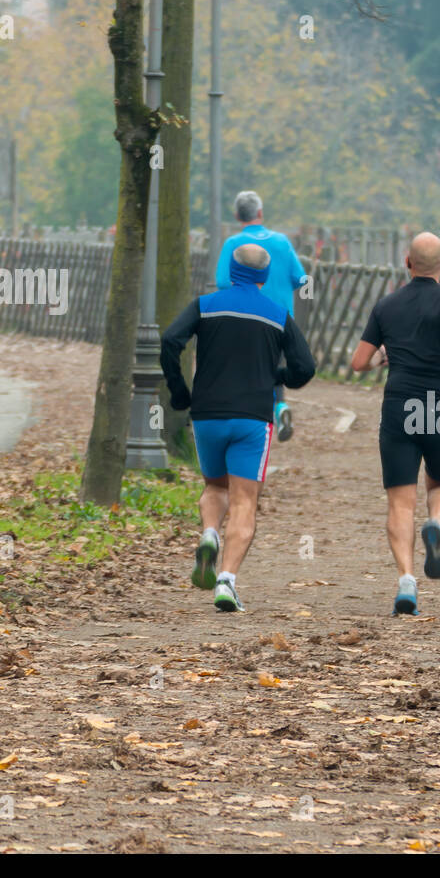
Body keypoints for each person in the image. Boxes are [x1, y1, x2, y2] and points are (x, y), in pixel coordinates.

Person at [162, 243, 316, 612]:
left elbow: (170, 340)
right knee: (245, 499)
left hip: (207, 415)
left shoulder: (204, 305)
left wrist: (180, 392)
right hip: (252, 419)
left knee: (215, 486)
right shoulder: (278, 315)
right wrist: (275, 376)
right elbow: (305, 367)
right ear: (264, 277)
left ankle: (209, 534)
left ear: (231, 272)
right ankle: (226, 582)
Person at [350, 232, 440, 615]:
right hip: (438, 403)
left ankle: (406, 583)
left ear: (407, 262)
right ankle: (436, 523)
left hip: (398, 404)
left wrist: (383, 358)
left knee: (399, 501)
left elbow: (359, 363)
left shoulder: (386, 305)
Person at [215, 191, 308, 442]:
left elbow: (222, 281)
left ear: (237, 215)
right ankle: (278, 408)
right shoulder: (281, 242)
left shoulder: (233, 244)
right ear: (260, 213)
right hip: (279, 318)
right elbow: (301, 278)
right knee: (273, 366)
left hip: (243, 318)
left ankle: (249, 419)